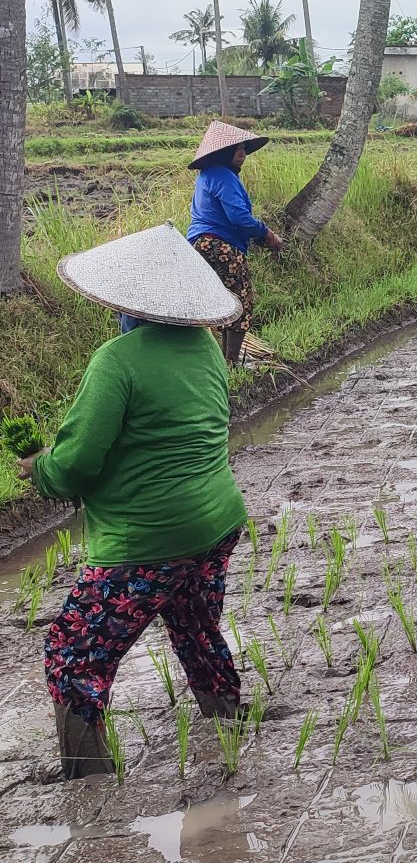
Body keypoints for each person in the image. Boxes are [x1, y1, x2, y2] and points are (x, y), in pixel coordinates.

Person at [23, 223, 249, 779]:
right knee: (196, 628)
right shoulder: (206, 345)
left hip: (148, 540)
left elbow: (75, 465)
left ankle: (88, 780)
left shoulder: (116, 360)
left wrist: (40, 469)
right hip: (217, 521)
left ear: (129, 301)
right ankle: (230, 723)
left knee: (73, 651)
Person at [187, 121, 282, 365]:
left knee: (220, 301)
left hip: (199, 245)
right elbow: (239, 218)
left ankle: (219, 361)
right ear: (222, 152)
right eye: (237, 149)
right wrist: (266, 233)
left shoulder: (207, 175)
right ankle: (230, 363)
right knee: (241, 301)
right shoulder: (224, 176)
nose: (243, 153)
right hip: (222, 246)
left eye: (244, 148)